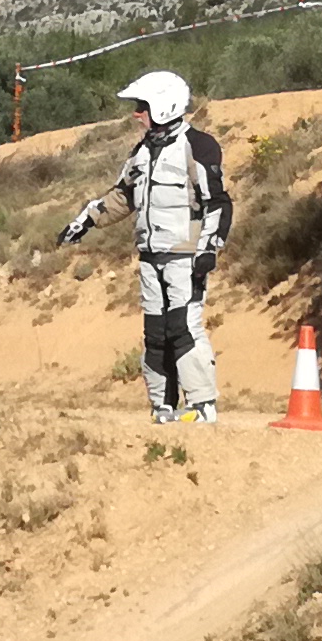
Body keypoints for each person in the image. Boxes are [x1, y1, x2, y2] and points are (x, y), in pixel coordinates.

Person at [58, 69, 232, 423]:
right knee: (156, 333)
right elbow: (123, 195)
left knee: (183, 327)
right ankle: (162, 406)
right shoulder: (142, 151)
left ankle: (203, 405)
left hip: (185, 256)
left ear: (163, 107)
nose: (136, 113)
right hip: (150, 257)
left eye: (142, 106)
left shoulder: (198, 145)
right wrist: (85, 221)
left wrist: (208, 250)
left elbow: (217, 202)